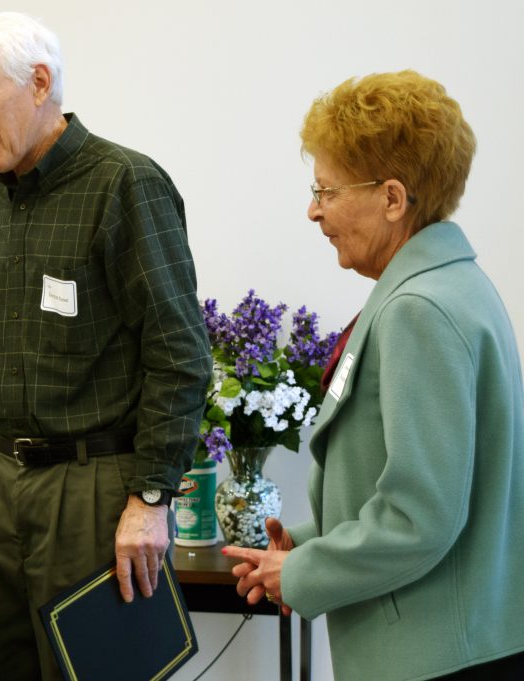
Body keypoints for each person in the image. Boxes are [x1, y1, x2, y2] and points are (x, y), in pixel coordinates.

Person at [223, 70, 524, 681]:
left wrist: (301, 575)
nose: (313, 210)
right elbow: (416, 488)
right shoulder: (448, 284)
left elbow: (420, 516)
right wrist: (305, 544)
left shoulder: (419, 309)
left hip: (435, 656)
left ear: (392, 198)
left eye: (327, 190)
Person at [0, 12, 211, 680]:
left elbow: (179, 353)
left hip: (92, 497)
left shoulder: (125, 183)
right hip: (0, 484)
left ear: (39, 83)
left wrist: (151, 500)